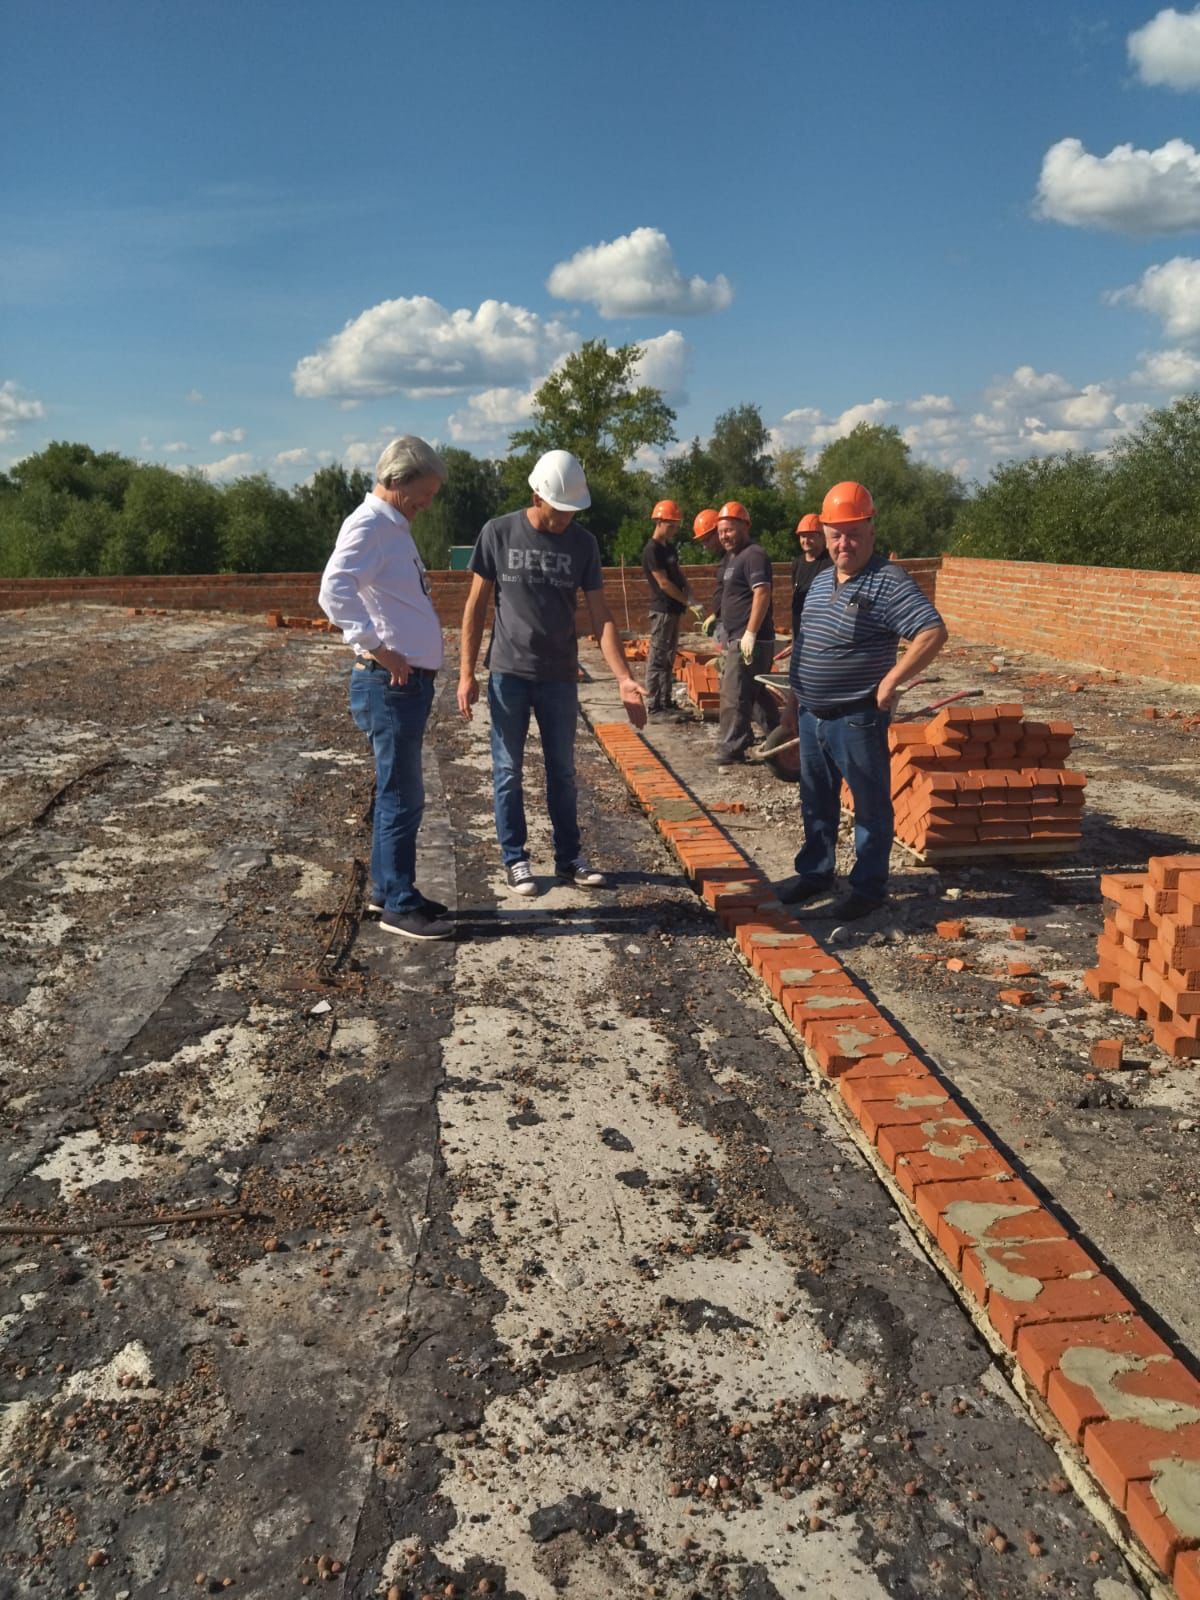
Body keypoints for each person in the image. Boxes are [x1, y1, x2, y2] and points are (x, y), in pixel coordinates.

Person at [457, 449, 647, 897]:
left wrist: (622, 676)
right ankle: (516, 858)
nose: (565, 519)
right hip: (509, 673)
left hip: (561, 677)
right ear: (536, 496)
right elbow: (476, 606)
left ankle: (568, 858)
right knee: (508, 770)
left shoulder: (583, 544)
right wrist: (465, 673)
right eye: (559, 510)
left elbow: (600, 617)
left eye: (572, 512)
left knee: (563, 770)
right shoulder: (498, 533)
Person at [784, 481, 947, 920]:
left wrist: (893, 678)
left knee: (869, 804)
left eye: (853, 532)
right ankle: (815, 873)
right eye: (836, 533)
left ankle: (868, 888)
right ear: (823, 532)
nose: (844, 542)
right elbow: (805, 643)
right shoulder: (819, 582)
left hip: (855, 717)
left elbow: (932, 631)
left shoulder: (887, 581)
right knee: (816, 799)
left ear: (871, 530)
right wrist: (792, 700)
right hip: (811, 714)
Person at [318, 436, 453, 941]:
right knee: (402, 794)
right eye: (424, 492)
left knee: (400, 791)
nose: (428, 502)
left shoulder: (392, 526)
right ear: (396, 480)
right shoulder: (371, 523)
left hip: (403, 683)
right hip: (390, 682)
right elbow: (334, 590)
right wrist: (380, 647)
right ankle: (398, 903)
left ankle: (391, 889)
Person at [714, 501, 779, 767]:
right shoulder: (732, 558)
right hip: (736, 636)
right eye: (721, 532)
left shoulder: (754, 555)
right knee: (755, 694)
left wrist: (750, 633)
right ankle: (780, 738)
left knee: (735, 694)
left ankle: (732, 749)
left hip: (749, 639)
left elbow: (762, 592)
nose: (724, 536)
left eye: (729, 530)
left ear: (744, 526)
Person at [641, 499, 701, 718]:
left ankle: (666, 701)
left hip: (674, 610)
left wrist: (690, 593)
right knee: (658, 657)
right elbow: (664, 583)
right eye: (670, 524)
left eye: (676, 525)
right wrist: (688, 601)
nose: (674, 529)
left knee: (668, 657)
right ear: (658, 521)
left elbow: (678, 575)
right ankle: (654, 706)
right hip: (663, 611)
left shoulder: (669, 547)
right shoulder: (652, 550)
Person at [791, 512, 831, 635]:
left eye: (810, 536)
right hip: (799, 628)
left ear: (822, 537)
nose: (805, 540)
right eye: (802, 536)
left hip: (820, 629)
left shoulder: (830, 563)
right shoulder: (797, 563)